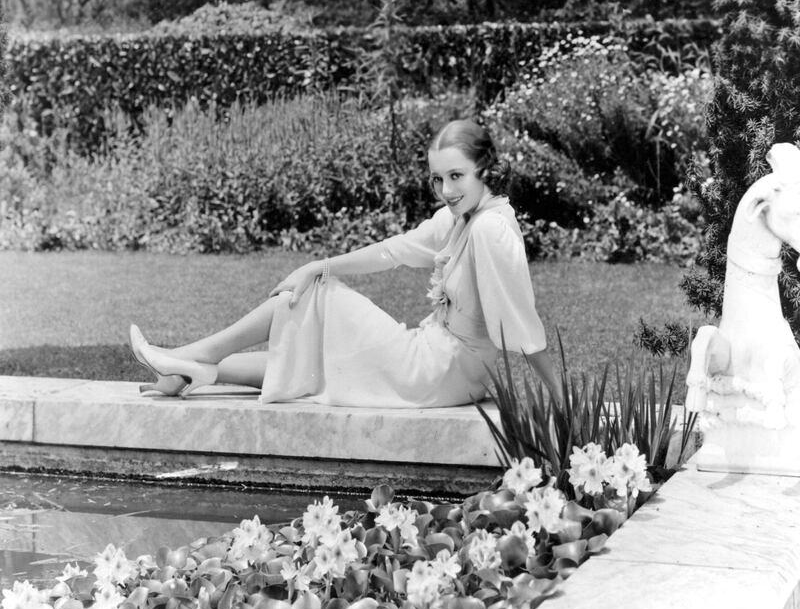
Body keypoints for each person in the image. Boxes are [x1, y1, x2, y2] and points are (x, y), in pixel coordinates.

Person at [130, 119, 561, 407]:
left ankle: (192, 354)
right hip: (442, 363)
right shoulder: (463, 217)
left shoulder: (489, 229)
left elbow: (522, 324)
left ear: (484, 170)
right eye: (436, 178)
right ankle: (195, 369)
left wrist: (563, 405)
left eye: (456, 176)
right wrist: (321, 263)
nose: (445, 189)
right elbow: (395, 250)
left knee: (315, 296)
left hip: (442, 371)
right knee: (318, 358)